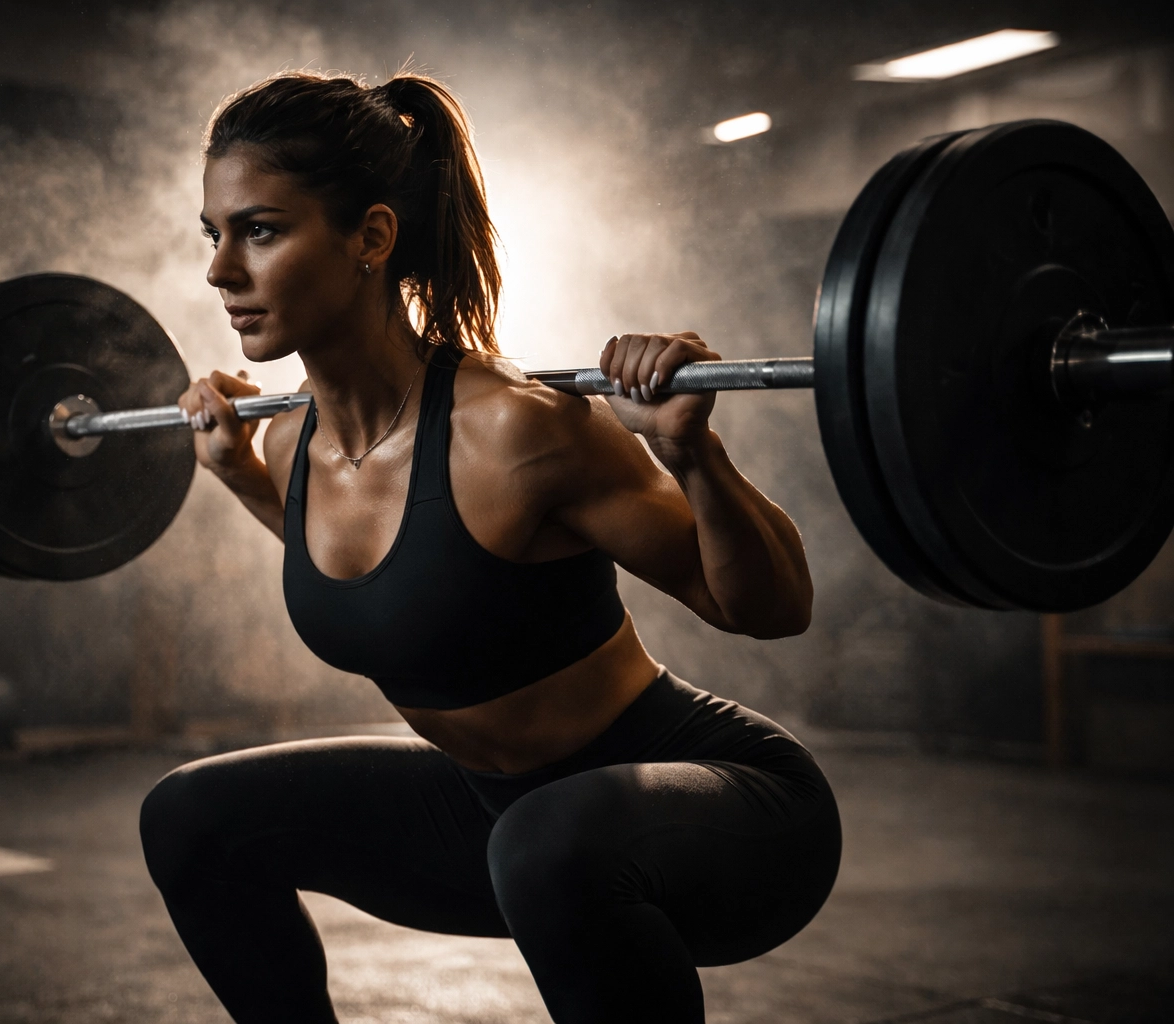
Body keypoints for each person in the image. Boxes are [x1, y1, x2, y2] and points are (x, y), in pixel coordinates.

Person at [140, 69, 840, 1024]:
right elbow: (403, 587)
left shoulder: (518, 428)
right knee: (191, 817)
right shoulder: (283, 442)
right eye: (213, 236)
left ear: (371, 240)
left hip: (729, 818)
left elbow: (770, 608)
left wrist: (692, 452)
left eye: (260, 230)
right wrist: (242, 480)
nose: (221, 271)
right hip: (499, 816)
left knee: (547, 844)